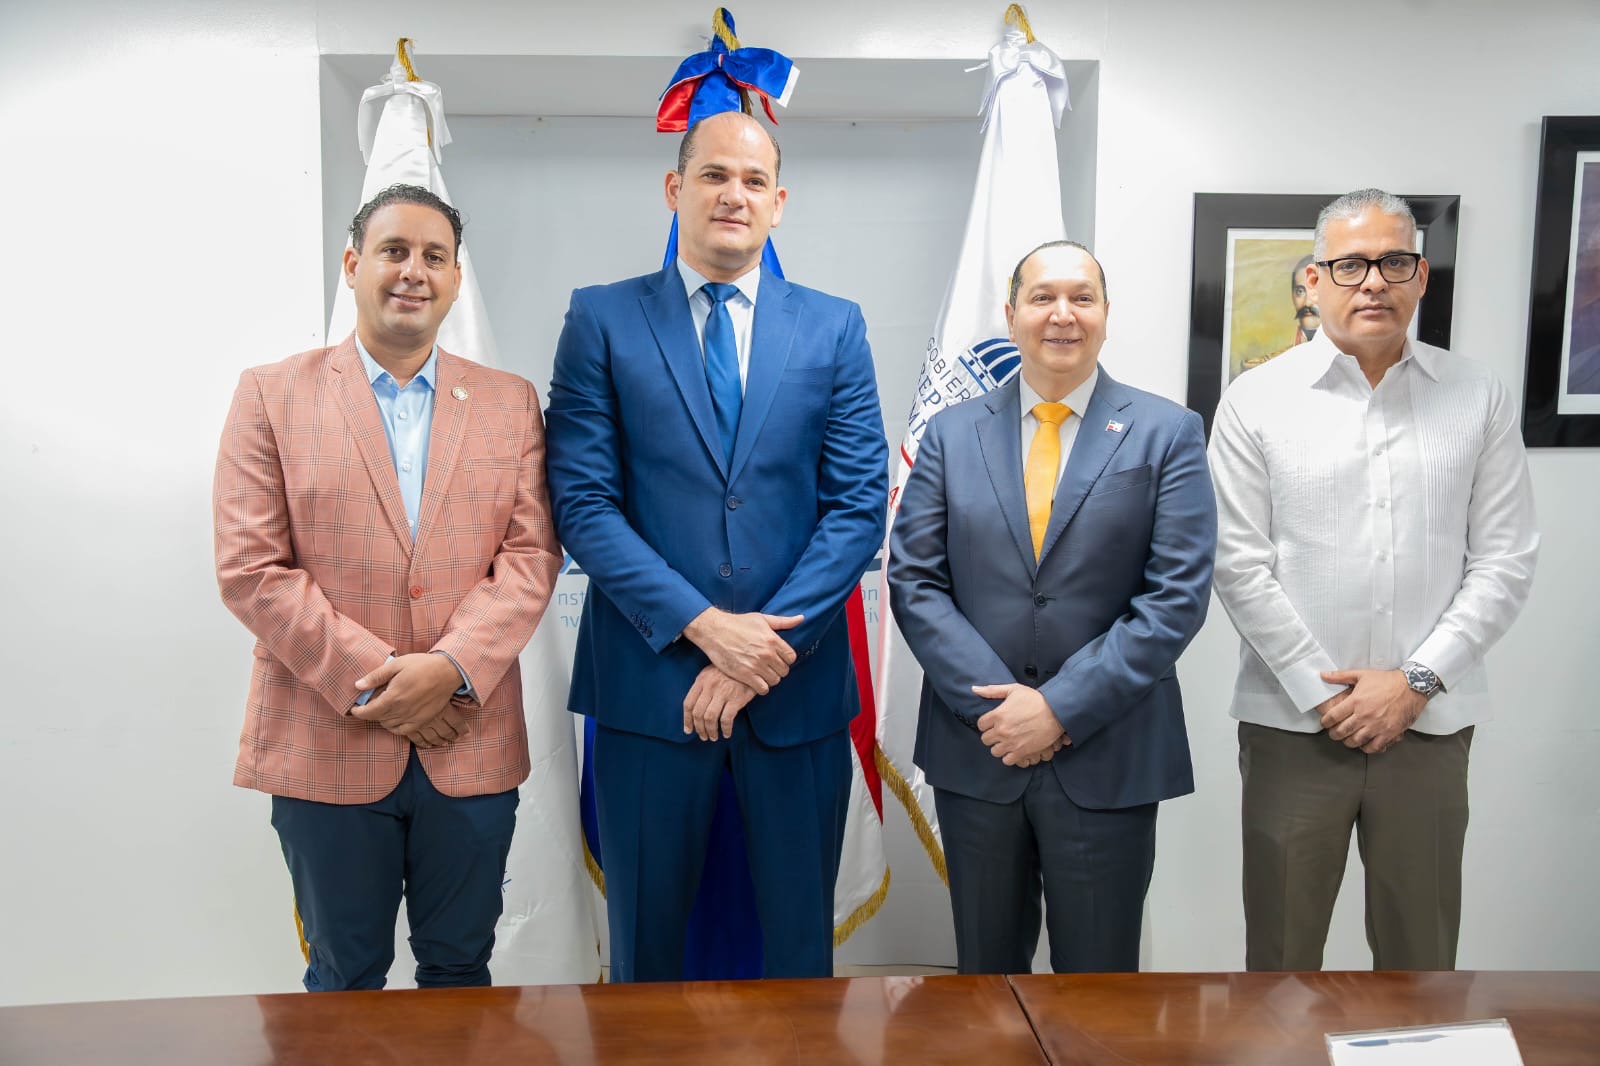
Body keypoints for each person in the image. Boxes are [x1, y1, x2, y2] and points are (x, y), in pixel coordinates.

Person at [544, 111, 887, 982]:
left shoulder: (835, 326)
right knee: (645, 961)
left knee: (800, 960)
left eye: (753, 180)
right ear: (675, 189)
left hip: (796, 694)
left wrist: (756, 652)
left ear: (779, 202)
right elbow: (583, 503)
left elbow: (855, 508)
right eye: (713, 175)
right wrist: (705, 627)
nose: (734, 194)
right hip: (648, 693)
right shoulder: (602, 318)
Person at [213, 184, 562, 991]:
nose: (414, 271)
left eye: (434, 256)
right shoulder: (271, 394)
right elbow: (250, 569)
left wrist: (449, 670)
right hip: (323, 741)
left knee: (460, 971)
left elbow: (530, 556)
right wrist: (385, 684)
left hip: (468, 742)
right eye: (394, 251)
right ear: (353, 264)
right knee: (344, 978)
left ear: (456, 278)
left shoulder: (510, 403)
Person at [1209, 188, 1539, 971]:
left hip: (1428, 725)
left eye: (1394, 262)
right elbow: (1237, 562)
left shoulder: (1477, 396)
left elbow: (1505, 559)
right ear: (1313, 280)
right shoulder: (1256, 399)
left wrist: (1415, 682)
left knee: (1422, 960)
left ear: (1421, 276)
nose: (1372, 282)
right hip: (1294, 727)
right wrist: (1324, 695)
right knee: (1281, 963)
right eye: (1350, 264)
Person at [887, 240, 1216, 974]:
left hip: (1108, 752)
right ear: (1011, 316)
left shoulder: (1168, 432)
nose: (1062, 314)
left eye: (1081, 297)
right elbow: (915, 580)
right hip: (982, 748)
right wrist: (1004, 711)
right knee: (986, 984)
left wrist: (1059, 707)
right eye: (1042, 297)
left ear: (1105, 315)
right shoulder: (950, 433)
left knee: (1098, 993)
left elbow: (1176, 597)